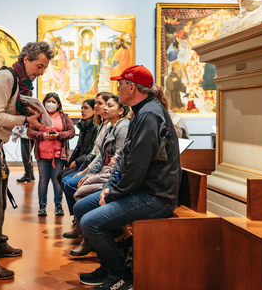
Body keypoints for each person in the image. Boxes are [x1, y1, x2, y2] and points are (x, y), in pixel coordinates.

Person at [74, 65, 181, 290]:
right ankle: (111, 263)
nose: (117, 88)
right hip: (138, 190)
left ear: (132, 87)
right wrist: (110, 187)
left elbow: (138, 165)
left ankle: (120, 276)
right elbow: (122, 158)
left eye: (120, 84)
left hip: (155, 196)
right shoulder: (141, 112)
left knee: (91, 222)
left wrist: (113, 193)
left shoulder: (150, 115)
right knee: (82, 207)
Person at [0, 41, 53, 280]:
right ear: (26, 59)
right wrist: (26, 121)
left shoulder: (16, 80)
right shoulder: (6, 78)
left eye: (44, 68)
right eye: (39, 66)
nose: (41, 72)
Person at [66, 95, 130, 257]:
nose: (105, 108)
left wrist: (97, 176)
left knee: (80, 193)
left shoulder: (123, 127)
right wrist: (90, 173)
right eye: (105, 105)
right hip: (104, 171)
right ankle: (89, 232)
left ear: (121, 111)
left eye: (110, 105)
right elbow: (101, 155)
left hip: (112, 174)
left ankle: (94, 236)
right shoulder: (109, 126)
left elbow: (119, 158)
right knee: (78, 185)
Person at [59, 92, 112, 228]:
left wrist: (85, 170)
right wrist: (84, 168)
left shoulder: (113, 126)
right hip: (95, 165)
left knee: (70, 183)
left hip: (104, 170)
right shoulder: (101, 125)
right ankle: (78, 219)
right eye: (95, 103)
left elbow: (101, 155)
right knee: (64, 178)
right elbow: (94, 151)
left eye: (100, 103)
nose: (97, 106)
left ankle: (83, 219)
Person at [27, 92, 75, 216]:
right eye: (48, 101)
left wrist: (59, 135)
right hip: (42, 155)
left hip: (59, 156)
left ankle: (58, 205)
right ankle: (42, 205)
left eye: (54, 102)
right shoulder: (38, 116)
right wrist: (42, 135)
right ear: (43, 104)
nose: (51, 104)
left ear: (58, 104)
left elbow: (72, 132)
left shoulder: (64, 117)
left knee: (57, 181)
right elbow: (30, 132)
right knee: (43, 180)